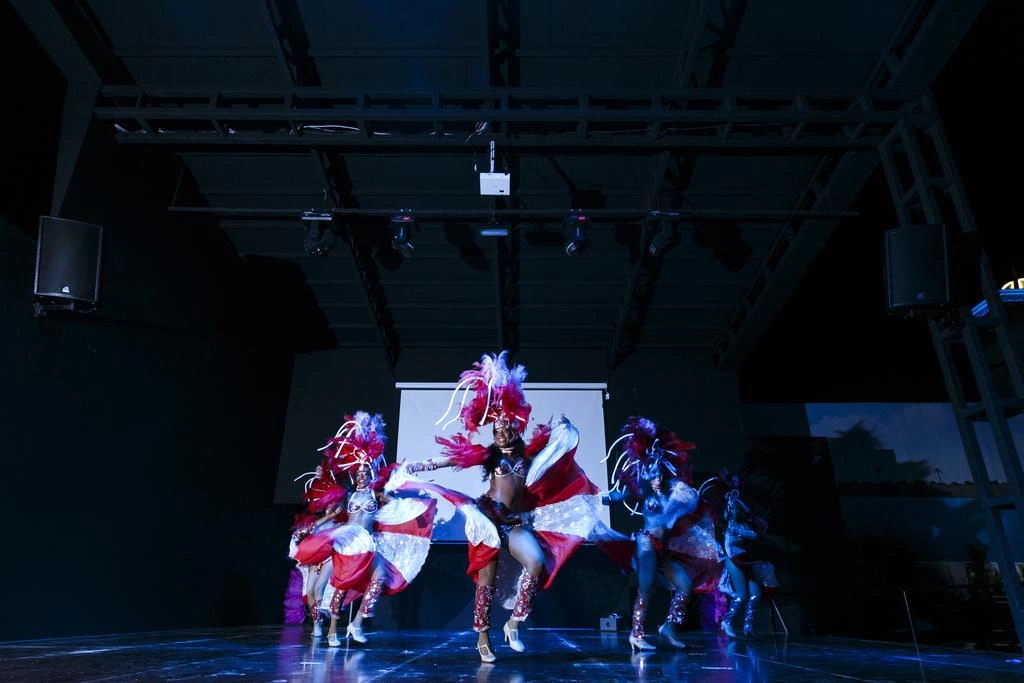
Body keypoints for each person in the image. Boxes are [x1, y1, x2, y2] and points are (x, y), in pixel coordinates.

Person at [391, 351, 605, 663]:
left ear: (517, 428)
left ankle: (514, 623)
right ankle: (482, 638)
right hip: (488, 520)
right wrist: (420, 466)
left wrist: (565, 428)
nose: (501, 433)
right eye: (496, 430)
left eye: (506, 428)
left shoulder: (530, 457)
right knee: (487, 582)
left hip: (515, 523)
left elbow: (560, 451)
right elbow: (452, 458)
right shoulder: (489, 455)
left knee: (535, 562)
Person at [291, 412, 436, 646]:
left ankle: (357, 623)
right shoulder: (347, 495)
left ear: (371, 474)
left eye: (364, 473)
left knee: (380, 578)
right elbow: (329, 493)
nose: (361, 476)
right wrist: (322, 478)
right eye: (358, 473)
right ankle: (330, 629)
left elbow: (396, 505)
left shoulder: (376, 494)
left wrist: (401, 502)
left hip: (367, 542)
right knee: (339, 585)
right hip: (347, 543)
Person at [602, 416, 722, 652]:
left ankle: (668, 628)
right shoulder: (641, 490)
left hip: (664, 549)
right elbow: (615, 497)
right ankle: (636, 634)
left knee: (685, 585)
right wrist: (594, 498)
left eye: (659, 474)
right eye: (651, 473)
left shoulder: (673, 493)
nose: (656, 478)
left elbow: (684, 505)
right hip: (646, 544)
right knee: (646, 588)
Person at [718, 482, 778, 638]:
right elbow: (747, 539)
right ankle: (727, 621)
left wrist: (759, 524)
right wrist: (758, 529)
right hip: (735, 560)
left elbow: (756, 534)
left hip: (747, 559)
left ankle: (748, 627)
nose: (735, 511)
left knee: (755, 594)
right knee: (741, 595)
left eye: (737, 509)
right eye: (733, 509)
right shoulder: (733, 528)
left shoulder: (745, 524)